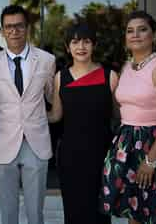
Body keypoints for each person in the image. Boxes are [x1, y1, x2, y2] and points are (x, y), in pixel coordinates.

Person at [100, 11, 156, 224]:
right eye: (130, 31)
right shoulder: (126, 67)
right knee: (136, 212)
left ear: (155, 36)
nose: (135, 35)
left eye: (142, 29)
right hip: (128, 145)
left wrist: (150, 160)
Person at [0, 5, 55, 224]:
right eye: (9, 27)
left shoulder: (46, 60)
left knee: (35, 214)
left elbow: (52, 97)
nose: (14, 31)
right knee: (8, 213)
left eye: (19, 26)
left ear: (27, 28)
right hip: (2, 145)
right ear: (3, 31)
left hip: (36, 144)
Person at [47, 22, 117, 224]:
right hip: (70, 157)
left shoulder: (110, 77)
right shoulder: (61, 77)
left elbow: (120, 117)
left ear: (94, 44)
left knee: (100, 214)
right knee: (74, 212)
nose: (81, 47)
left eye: (86, 41)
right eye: (75, 42)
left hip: (102, 155)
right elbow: (56, 115)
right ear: (68, 47)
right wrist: (29, 113)